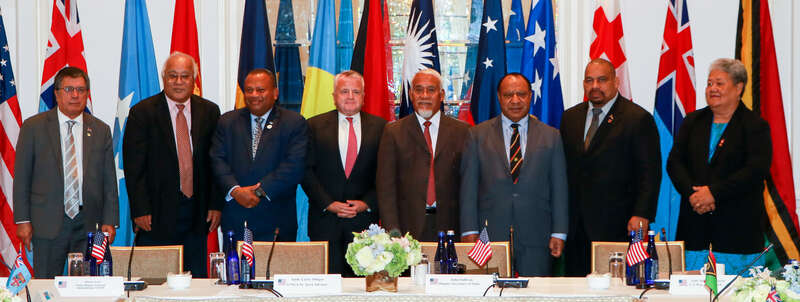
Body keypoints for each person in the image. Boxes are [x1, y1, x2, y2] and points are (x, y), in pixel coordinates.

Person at [667, 58, 771, 273]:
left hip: (737, 230)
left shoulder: (754, 125)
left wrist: (713, 193)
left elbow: (755, 171)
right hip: (695, 227)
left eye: (719, 83)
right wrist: (694, 195)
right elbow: (675, 162)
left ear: (738, 88)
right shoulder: (693, 121)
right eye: (709, 83)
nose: (712, 88)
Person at [124, 52, 222, 277]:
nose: (178, 82)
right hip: (155, 215)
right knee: (156, 279)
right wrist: (140, 209)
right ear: (164, 78)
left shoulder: (210, 111)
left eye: (185, 76)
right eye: (172, 76)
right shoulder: (142, 112)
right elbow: (134, 167)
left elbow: (216, 163)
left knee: (196, 280)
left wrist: (215, 204)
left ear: (194, 80)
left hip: (198, 213)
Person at [14, 67, 119, 278]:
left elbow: (109, 180)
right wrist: (22, 220)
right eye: (69, 89)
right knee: (45, 283)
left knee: (90, 283)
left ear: (87, 94)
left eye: (81, 90)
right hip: (47, 222)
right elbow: (22, 178)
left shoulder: (100, 130)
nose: (75, 95)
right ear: (57, 93)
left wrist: (110, 220)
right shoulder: (33, 127)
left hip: (91, 224)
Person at [560, 58, 661, 276]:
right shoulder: (570, 118)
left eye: (602, 80)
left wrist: (642, 213)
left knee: (616, 286)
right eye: (589, 80)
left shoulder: (637, 118)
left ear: (616, 82)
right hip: (576, 226)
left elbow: (650, 173)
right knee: (575, 286)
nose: (595, 86)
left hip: (618, 223)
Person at [460, 73, 568, 276]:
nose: (515, 100)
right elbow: (468, 188)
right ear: (499, 97)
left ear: (530, 96)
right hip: (489, 236)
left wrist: (559, 232)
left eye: (521, 94)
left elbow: (559, 189)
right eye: (508, 95)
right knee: (490, 291)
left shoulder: (552, 136)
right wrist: (469, 230)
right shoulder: (477, 135)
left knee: (536, 292)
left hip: (537, 235)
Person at [302, 70, 387, 276]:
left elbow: (385, 174)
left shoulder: (382, 127)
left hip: (365, 224)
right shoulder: (313, 125)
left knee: (362, 285)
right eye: (344, 91)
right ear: (334, 96)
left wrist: (366, 203)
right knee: (327, 285)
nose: (350, 96)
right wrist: (328, 203)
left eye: (356, 92)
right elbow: (305, 170)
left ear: (364, 96)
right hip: (325, 221)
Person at [210, 68, 308, 241]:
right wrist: (235, 191)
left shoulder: (294, 122)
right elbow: (217, 161)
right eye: (249, 90)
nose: (254, 95)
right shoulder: (227, 122)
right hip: (236, 218)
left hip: (277, 219)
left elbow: (294, 165)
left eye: (261, 90)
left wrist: (259, 192)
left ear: (275, 93)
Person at [376, 69, 469, 242]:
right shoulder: (393, 132)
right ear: (411, 95)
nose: (424, 96)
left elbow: (469, 185)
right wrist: (393, 232)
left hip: (451, 227)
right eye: (418, 90)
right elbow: (386, 189)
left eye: (431, 90)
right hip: (406, 230)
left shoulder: (463, 132)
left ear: (441, 95)